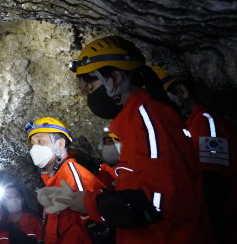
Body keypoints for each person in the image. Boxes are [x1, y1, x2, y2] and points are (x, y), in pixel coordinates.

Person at [57, 36, 214, 244]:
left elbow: (164, 202)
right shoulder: (136, 120)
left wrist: (93, 204)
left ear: (116, 76)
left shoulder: (149, 116)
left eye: (92, 86)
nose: (89, 95)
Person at [152, 65, 237, 243]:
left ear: (181, 91)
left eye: (164, 100)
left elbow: (214, 183)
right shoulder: (187, 127)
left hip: (224, 227)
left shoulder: (207, 124)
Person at [25, 117, 104, 244]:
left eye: (41, 141)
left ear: (60, 145)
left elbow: (97, 229)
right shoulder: (54, 180)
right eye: (33, 144)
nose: (35, 149)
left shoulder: (75, 177)